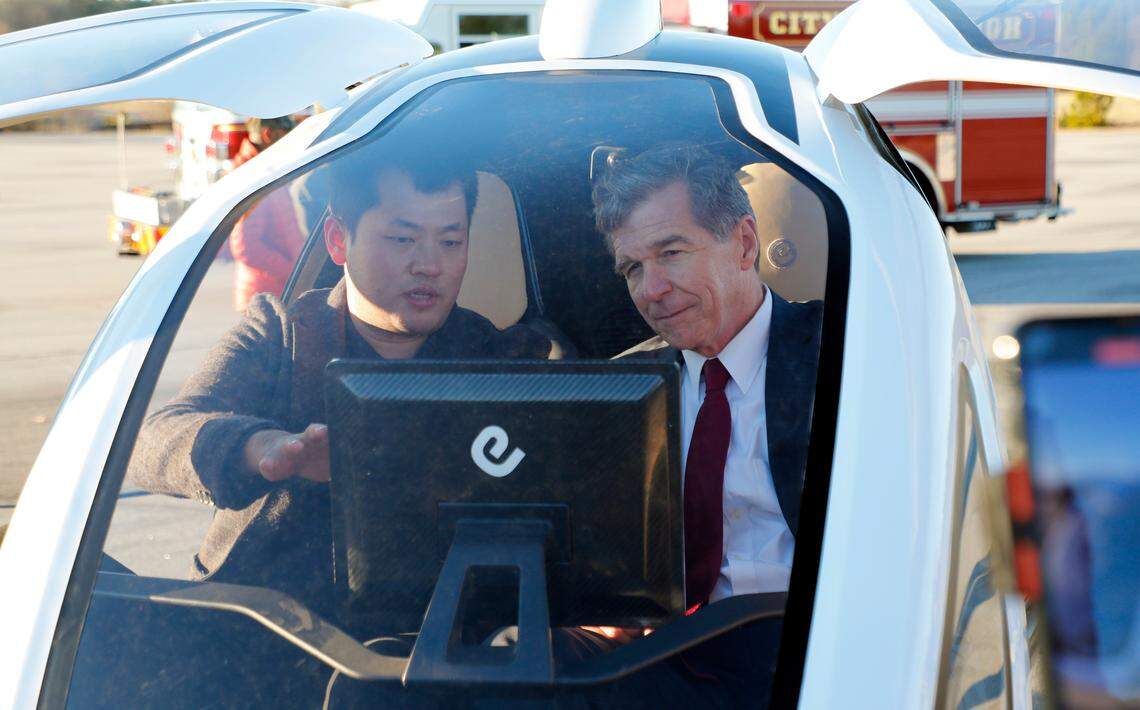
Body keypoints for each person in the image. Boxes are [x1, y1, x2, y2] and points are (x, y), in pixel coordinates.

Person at [127, 149, 557, 613]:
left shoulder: (499, 362)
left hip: (426, 638)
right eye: (401, 239)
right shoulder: (280, 335)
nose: (430, 265)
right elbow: (154, 441)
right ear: (337, 239)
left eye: (451, 242)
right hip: (263, 627)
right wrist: (262, 448)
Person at [542, 144, 824, 707]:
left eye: (670, 253)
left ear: (744, 244)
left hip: (807, 650)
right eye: (632, 268)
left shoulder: (840, 355)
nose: (651, 291)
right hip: (662, 656)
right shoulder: (622, 390)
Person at [228, 116, 305, 311]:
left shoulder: (266, 170)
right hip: (266, 298)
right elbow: (245, 247)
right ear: (268, 135)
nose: (291, 145)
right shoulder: (252, 178)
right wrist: (291, 271)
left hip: (274, 293)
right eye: (286, 137)